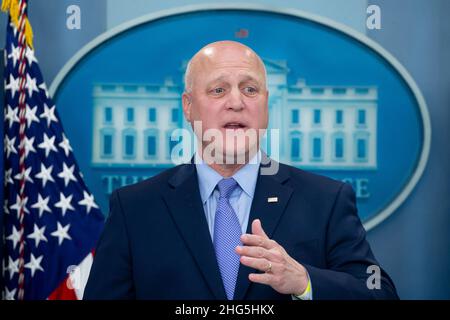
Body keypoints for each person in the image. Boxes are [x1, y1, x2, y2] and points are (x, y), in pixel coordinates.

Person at [84, 41, 399, 300]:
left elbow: (379, 294)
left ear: (266, 104)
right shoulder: (135, 207)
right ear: (188, 106)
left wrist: (304, 281)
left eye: (250, 90)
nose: (236, 102)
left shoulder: (326, 200)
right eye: (218, 90)